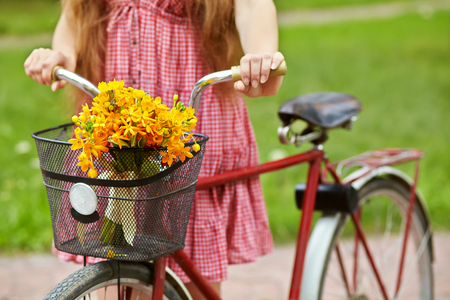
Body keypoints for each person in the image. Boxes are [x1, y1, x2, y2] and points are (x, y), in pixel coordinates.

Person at [24, 0, 284, 298]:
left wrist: (260, 55)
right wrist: (63, 54)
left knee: (191, 273)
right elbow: (76, 14)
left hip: (187, 122)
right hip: (118, 136)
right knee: (116, 276)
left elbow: (251, 5)